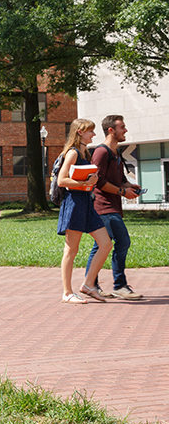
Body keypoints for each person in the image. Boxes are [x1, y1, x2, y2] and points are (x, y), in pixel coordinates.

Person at [85, 114, 142, 300]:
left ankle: (90, 285)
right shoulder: (101, 152)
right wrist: (122, 192)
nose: (125, 130)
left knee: (101, 246)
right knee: (122, 241)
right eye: (122, 127)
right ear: (111, 130)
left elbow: (120, 180)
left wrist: (129, 187)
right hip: (103, 206)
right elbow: (98, 181)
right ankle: (119, 285)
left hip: (112, 206)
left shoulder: (116, 153)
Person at [56, 118, 113, 304]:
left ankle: (88, 285)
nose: (94, 135)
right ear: (80, 132)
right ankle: (66, 292)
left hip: (87, 204)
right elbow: (61, 181)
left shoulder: (85, 153)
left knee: (105, 243)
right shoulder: (72, 153)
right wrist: (85, 183)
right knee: (71, 249)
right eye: (91, 131)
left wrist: (91, 181)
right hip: (74, 203)